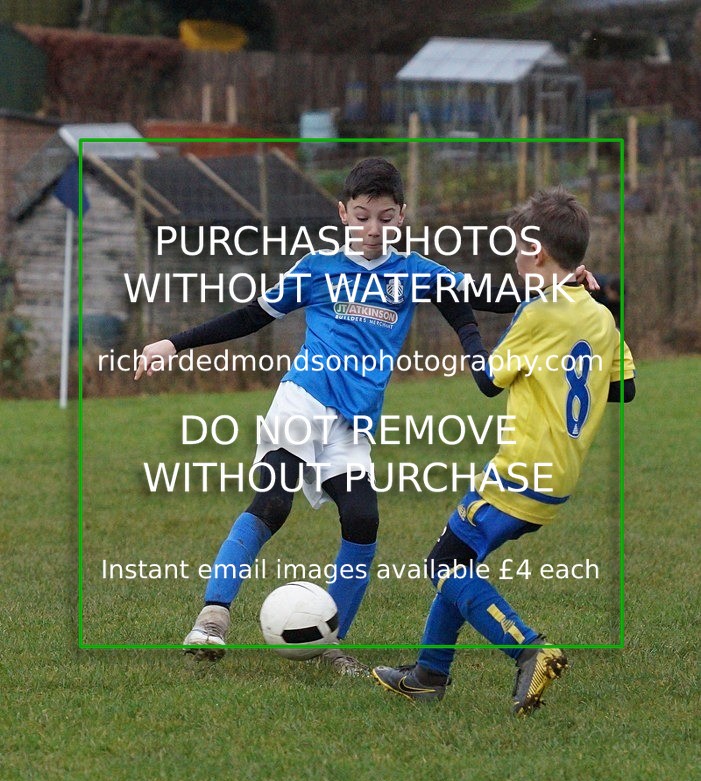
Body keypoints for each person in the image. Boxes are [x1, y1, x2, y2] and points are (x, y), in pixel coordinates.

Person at [135, 159, 597, 677]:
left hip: (352, 425)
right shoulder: (317, 268)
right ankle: (213, 617)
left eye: (383, 217)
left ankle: (332, 643)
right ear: (342, 214)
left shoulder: (417, 273)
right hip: (302, 403)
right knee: (272, 503)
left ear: (402, 215)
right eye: (360, 217)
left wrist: (563, 285)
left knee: (362, 522)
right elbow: (249, 316)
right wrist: (174, 343)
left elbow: (488, 297)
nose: (372, 229)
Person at [372, 187, 636, 714]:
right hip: (559, 479)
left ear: (538, 251)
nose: (514, 261)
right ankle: (428, 673)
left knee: (444, 563)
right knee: (460, 555)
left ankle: (529, 649)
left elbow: (489, 381)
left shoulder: (539, 312)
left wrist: (467, 330)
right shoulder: (600, 315)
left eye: (518, 250)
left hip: (519, 471)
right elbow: (624, 388)